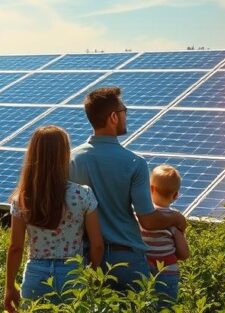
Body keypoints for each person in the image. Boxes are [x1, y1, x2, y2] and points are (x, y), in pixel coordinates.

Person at [69, 86, 187, 293]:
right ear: (113, 117)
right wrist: (176, 218)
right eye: (125, 111)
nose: (127, 116)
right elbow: (148, 220)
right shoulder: (134, 162)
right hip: (127, 259)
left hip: (87, 258)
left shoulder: (71, 160)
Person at [4, 126, 104, 312]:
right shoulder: (82, 194)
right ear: (64, 155)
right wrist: (90, 274)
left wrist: (10, 287)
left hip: (36, 273)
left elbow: (15, 247)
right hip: (73, 273)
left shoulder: (23, 198)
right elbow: (97, 245)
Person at [140, 164, 190, 306]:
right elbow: (184, 253)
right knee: (166, 306)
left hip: (143, 270)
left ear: (150, 189)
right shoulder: (173, 220)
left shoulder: (140, 216)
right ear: (176, 195)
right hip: (168, 273)